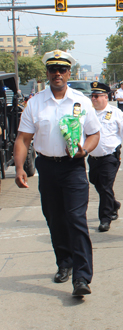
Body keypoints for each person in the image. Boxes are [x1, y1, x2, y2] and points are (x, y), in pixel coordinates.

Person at [13, 49, 101, 297]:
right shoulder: (35, 102)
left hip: (73, 167)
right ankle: (65, 263)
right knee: (55, 218)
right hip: (47, 167)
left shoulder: (81, 101)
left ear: (69, 72)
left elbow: (94, 134)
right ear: (48, 73)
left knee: (76, 219)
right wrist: (20, 168)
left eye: (62, 69)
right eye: (53, 69)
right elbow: (23, 138)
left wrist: (85, 151)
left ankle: (82, 278)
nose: (57, 74)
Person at [88, 82, 123, 232]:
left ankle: (105, 218)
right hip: (93, 158)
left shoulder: (115, 113)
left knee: (105, 186)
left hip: (110, 157)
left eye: (96, 96)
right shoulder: (87, 113)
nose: (93, 99)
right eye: (92, 96)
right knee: (96, 182)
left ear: (106, 97)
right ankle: (113, 204)